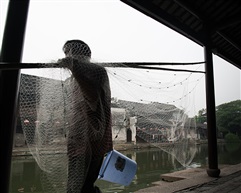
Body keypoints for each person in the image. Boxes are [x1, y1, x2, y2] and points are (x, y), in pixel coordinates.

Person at [59, 39, 113, 193]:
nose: (67, 56)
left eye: (70, 52)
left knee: (82, 186)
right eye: (66, 53)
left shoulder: (98, 71)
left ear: (83, 54)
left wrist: (75, 70)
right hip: (77, 138)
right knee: (76, 184)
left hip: (94, 140)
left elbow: (93, 98)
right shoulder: (72, 80)